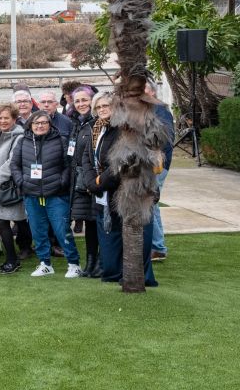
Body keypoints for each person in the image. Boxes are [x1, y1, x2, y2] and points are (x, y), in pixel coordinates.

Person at [84, 92, 158, 287]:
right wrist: (91, 180)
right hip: (104, 195)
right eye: (98, 107)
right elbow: (88, 157)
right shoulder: (96, 128)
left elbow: (122, 163)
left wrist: (97, 183)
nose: (102, 109)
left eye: (106, 106)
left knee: (136, 237)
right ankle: (113, 273)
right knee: (110, 240)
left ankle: (139, 276)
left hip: (128, 191)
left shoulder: (125, 128)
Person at [11, 111, 82, 277]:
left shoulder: (61, 140)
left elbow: (69, 165)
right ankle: (45, 264)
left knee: (62, 230)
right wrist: (22, 182)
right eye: (36, 123)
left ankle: (74, 264)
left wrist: (61, 182)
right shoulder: (22, 141)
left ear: (50, 125)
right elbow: (15, 165)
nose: (40, 126)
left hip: (56, 195)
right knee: (38, 231)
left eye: (44, 122)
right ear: (30, 125)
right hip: (32, 194)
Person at [0, 104, 28, 274]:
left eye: (6, 118)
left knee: (2, 222)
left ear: (14, 119)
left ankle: (12, 260)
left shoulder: (20, 137)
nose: (2, 121)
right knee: (15, 221)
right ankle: (24, 249)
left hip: (9, 188)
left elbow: (11, 163)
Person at [67, 86, 101, 277]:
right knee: (89, 223)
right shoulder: (77, 123)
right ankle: (90, 262)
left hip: (93, 181)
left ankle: (100, 263)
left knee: (97, 222)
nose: (81, 104)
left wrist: (92, 180)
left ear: (92, 101)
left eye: (84, 100)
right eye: (77, 101)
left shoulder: (97, 123)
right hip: (79, 182)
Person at [147, 82, 175, 263]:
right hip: (147, 164)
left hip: (156, 165)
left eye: (143, 89)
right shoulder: (146, 109)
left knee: (149, 203)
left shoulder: (159, 110)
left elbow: (164, 139)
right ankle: (157, 246)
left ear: (152, 92)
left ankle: (157, 247)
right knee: (152, 204)